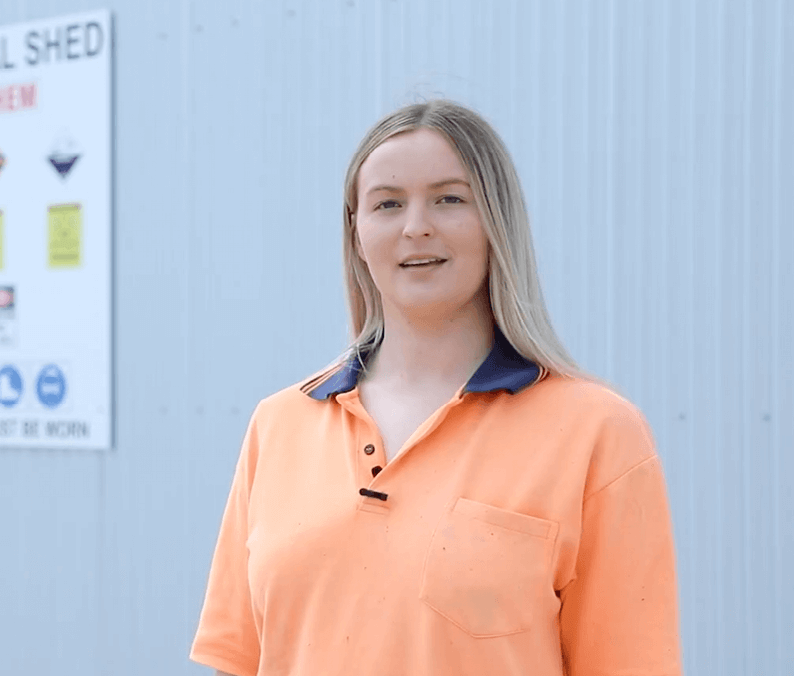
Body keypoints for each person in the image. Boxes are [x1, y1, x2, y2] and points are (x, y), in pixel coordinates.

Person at [190, 100, 682, 676]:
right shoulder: (278, 425)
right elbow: (238, 661)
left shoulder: (598, 433)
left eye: (449, 198)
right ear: (357, 234)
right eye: (387, 203)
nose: (415, 225)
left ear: (496, 220)